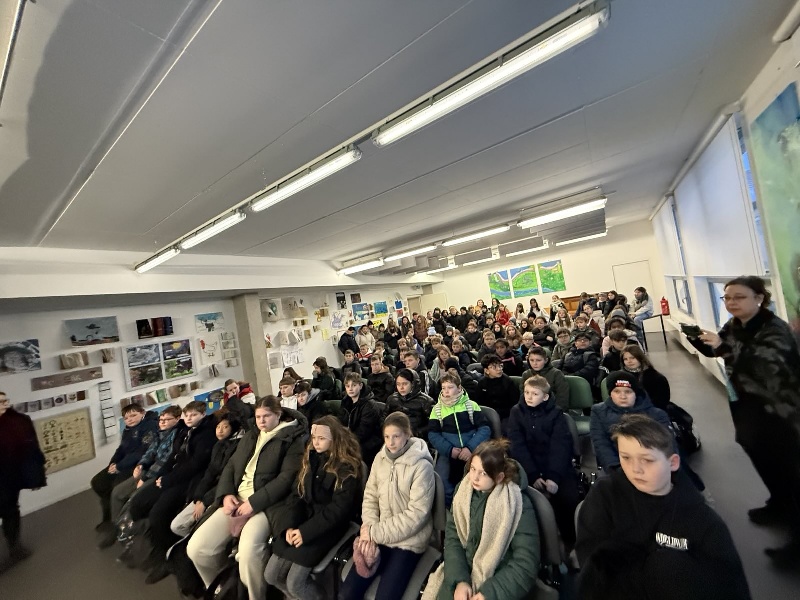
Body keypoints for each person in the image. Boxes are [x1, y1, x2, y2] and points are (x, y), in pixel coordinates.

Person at [686, 275, 800, 563]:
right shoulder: (734, 325)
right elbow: (719, 349)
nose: (731, 302)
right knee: (760, 455)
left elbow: (764, 365)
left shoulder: (774, 328)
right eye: (726, 297)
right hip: (748, 406)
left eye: (739, 297)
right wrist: (697, 339)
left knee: (790, 470)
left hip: (780, 411)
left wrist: (723, 346)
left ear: (759, 298)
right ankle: (779, 504)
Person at [576, 415, 751, 600]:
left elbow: (730, 586)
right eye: (626, 457)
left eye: (647, 460)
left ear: (673, 463)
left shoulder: (703, 520)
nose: (635, 469)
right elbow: (592, 567)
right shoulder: (605, 495)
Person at [187, 397, 306, 600]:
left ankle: (255, 595)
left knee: (249, 553)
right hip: (237, 498)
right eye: (258, 416)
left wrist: (253, 503)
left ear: (278, 415)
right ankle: (224, 587)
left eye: (266, 416)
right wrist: (226, 494)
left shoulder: (292, 438)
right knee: (197, 548)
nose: (261, 421)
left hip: (267, 505)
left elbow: (286, 479)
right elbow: (231, 466)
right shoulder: (252, 434)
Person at [422, 439, 539, 600]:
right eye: (473, 469)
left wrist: (489, 593)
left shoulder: (517, 504)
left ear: (499, 477)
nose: (474, 478)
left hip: (499, 583)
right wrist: (459, 580)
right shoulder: (462, 492)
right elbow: (453, 540)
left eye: (483, 473)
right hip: (462, 572)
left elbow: (526, 563)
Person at [265, 417, 362, 600]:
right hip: (303, 520)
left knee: (295, 583)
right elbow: (297, 496)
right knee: (271, 575)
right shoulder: (311, 458)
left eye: (321, 438)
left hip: (326, 526)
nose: (316, 443)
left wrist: (305, 532)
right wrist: (289, 527)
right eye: (314, 437)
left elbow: (338, 511)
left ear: (334, 439)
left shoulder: (346, 467)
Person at [340, 412, 435, 600]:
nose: (391, 442)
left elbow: (416, 516)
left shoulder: (421, 467)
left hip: (408, 541)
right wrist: (370, 527)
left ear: (407, 434)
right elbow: (370, 497)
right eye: (387, 437)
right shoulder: (380, 458)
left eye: (396, 436)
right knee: (346, 593)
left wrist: (374, 532)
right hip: (379, 534)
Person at [128, 401, 218, 583]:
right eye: (187, 415)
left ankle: (168, 556)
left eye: (193, 415)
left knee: (158, 514)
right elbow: (173, 457)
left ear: (203, 414)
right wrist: (161, 475)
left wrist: (169, 479)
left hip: (188, 481)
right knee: (137, 503)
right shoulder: (185, 431)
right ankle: (154, 543)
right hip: (172, 476)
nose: (189, 418)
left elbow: (195, 465)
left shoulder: (206, 434)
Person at [508, 376, 578, 549]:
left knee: (568, 498)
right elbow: (517, 445)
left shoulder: (556, 413)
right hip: (528, 466)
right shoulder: (516, 412)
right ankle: (535, 545)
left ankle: (571, 542)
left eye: (535, 394)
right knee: (522, 500)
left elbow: (560, 446)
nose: (529, 397)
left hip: (555, 466)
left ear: (545, 397)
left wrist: (554, 476)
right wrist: (532, 475)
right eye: (526, 393)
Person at [106, 405, 184, 549]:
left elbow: (164, 462)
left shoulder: (177, 436)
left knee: (134, 499)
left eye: (167, 420)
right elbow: (150, 452)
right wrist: (141, 465)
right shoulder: (159, 433)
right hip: (147, 470)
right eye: (161, 420)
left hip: (159, 474)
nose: (162, 423)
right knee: (117, 493)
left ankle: (131, 534)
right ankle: (117, 527)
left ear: (177, 419)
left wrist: (144, 477)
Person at [170, 410, 242, 539]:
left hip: (222, 494)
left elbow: (227, 479)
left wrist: (205, 501)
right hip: (206, 494)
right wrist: (199, 498)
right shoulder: (218, 446)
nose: (220, 430)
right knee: (176, 525)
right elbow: (209, 473)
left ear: (233, 429)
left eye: (225, 427)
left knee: (194, 529)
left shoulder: (238, 447)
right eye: (218, 427)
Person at [91, 403, 158, 531]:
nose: (130, 420)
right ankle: (108, 516)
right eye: (126, 418)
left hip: (138, 465)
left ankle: (119, 522)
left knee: (117, 489)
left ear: (142, 413)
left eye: (133, 415)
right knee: (98, 482)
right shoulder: (128, 430)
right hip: (123, 464)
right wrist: (113, 463)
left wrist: (120, 466)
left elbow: (141, 452)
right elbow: (121, 449)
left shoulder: (150, 426)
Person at [429, 373, 492, 505]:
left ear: (459, 388)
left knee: (478, 480)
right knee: (442, 481)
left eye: (450, 387)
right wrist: (449, 450)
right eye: (443, 388)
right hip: (448, 453)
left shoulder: (471, 405)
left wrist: (470, 448)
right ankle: (450, 508)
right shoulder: (437, 410)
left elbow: (485, 429)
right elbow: (433, 435)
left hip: (473, 451)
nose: (446, 391)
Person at [589, 372, 673, 471]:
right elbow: (601, 444)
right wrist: (616, 469)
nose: (623, 396)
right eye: (617, 391)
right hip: (617, 467)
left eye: (628, 392)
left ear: (635, 393)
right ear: (610, 394)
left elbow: (668, 445)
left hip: (652, 466)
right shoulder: (599, 411)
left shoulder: (657, 414)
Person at [0, 391, 46, 568]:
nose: (5, 404)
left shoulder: (17, 422)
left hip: (9, 477)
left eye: (5, 400)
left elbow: (30, 448)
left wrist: (35, 474)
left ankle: (15, 549)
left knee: (10, 511)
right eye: (1, 402)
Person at [340, 372, 383, 465]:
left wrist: (348, 441)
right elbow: (341, 423)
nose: (350, 389)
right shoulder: (345, 402)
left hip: (368, 442)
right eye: (347, 386)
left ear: (360, 386)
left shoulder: (369, 405)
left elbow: (364, 431)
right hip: (351, 439)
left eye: (354, 385)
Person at [384, 368, 434, 440]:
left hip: (417, 439)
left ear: (413, 384)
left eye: (405, 384)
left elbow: (433, 423)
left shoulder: (426, 401)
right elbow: (384, 418)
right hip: (394, 437)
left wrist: (418, 433)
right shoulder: (392, 399)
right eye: (398, 384)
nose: (401, 387)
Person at [621, 345, 670, 410]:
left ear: (640, 358)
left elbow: (662, 400)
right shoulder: (620, 377)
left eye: (632, 358)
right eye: (625, 359)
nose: (629, 361)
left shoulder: (656, 377)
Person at [476, 354, 520, 427]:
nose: (499, 369)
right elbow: (479, 403)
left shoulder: (508, 381)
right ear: (486, 370)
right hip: (488, 414)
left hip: (506, 415)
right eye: (494, 367)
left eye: (500, 366)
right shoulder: (482, 383)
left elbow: (514, 403)